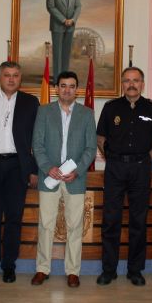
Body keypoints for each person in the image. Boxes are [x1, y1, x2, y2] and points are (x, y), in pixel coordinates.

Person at [96, 67, 152, 286]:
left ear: (142, 84)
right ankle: (109, 270)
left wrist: (145, 160)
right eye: (127, 80)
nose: (131, 84)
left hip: (141, 169)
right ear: (122, 83)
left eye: (136, 80)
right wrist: (111, 158)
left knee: (138, 221)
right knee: (111, 220)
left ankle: (135, 270)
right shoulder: (110, 107)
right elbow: (100, 137)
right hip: (115, 168)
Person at [31, 71, 97, 288]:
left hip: (74, 178)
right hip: (49, 177)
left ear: (77, 89)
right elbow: (37, 144)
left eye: (71, 86)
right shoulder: (44, 111)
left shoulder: (87, 114)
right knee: (46, 225)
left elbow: (91, 147)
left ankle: (73, 271)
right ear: (56, 88)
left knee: (75, 226)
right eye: (63, 85)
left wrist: (77, 170)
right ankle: (42, 268)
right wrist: (47, 167)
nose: (67, 90)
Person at [0, 61, 40, 283]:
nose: (11, 79)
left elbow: (37, 139)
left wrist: (34, 170)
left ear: (20, 79)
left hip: (17, 167)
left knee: (14, 218)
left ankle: (9, 266)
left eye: (15, 75)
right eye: (7, 75)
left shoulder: (31, 103)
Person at [47, 0, 82, 80]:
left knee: (66, 53)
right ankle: (57, 78)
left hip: (71, 25)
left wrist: (73, 19)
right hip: (57, 25)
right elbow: (50, 7)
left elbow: (78, 6)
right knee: (57, 53)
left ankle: (65, 78)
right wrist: (63, 20)